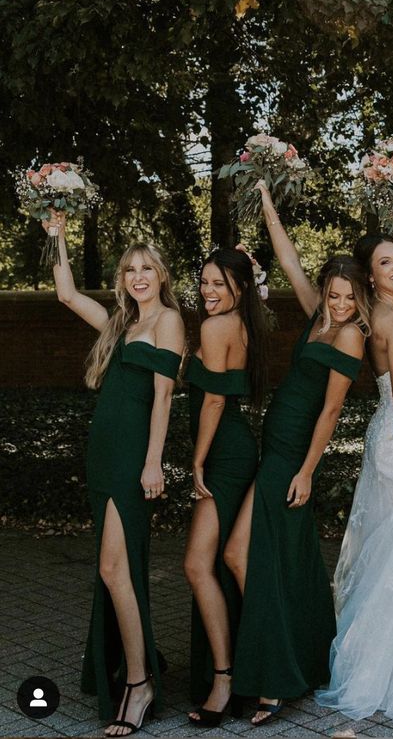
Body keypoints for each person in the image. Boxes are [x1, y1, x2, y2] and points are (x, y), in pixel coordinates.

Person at [223, 182, 368, 727]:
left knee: (242, 556)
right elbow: (288, 261)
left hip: (291, 460)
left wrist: (307, 471)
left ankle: (276, 673)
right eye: (333, 293)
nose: (337, 303)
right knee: (284, 561)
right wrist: (266, 206)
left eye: (347, 297)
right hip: (274, 446)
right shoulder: (318, 317)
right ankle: (301, 659)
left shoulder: (349, 337)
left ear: (359, 299)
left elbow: (331, 412)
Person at [43, 211, 184, 736]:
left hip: (132, 458)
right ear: (123, 279)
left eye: (147, 268)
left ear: (162, 275)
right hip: (103, 452)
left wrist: (153, 461)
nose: (139, 277)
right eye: (130, 270)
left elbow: (164, 397)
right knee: (112, 569)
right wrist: (58, 234)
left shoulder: (168, 320)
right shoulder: (120, 323)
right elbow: (65, 294)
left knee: (113, 568)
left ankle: (141, 682)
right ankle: (138, 666)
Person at [315, 234, 393, 722]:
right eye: (386, 262)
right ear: (369, 274)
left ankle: (375, 659)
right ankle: (392, 668)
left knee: (390, 551)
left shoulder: (362, 319)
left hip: (389, 435)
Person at [184, 249, 268, 727]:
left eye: (219, 283)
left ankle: (225, 676)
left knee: (197, 564)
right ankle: (234, 671)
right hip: (232, 450)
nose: (209, 291)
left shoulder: (218, 328)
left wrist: (196, 461)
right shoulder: (241, 325)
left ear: (239, 287)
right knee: (207, 564)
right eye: (204, 281)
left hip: (225, 455)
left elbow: (214, 400)